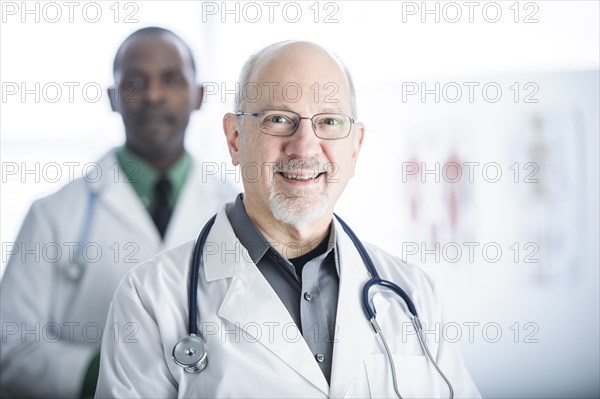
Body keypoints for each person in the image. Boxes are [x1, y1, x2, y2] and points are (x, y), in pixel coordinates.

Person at [95, 41, 481, 398]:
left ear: (356, 146)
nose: (305, 146)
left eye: (329, 122)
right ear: (234, 138)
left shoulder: (412, 294)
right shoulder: (149, 298)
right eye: (279, 119)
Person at [0, 27, 235, 398]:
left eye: (171, 80)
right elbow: (11, 351)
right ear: (113, 97)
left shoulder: (235, 210)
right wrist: (112, 370)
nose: (154, 95)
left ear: (198, 95)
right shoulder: (53, 214)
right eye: (135, 82)